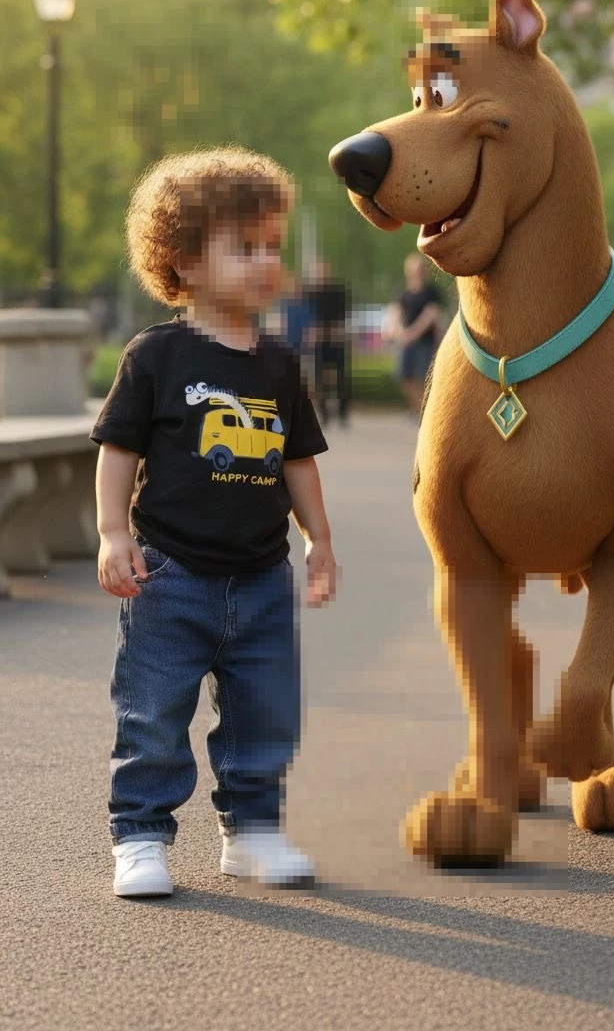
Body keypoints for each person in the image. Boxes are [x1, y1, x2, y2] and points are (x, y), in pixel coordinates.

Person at [91, 147, 337, 898]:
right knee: (154, 711)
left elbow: (297, 459)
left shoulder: (278, 365)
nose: (266, 263)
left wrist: (318, 539)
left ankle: (253, 832)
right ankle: (140, 835)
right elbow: (119, 450)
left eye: (272, 247)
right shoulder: (157, 355)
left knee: (265, 712)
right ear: (184, 262)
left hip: (261, 576)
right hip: (172, 574)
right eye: (244, 248)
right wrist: (112, 533)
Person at [386, 252, 444, 413]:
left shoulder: (431, 293)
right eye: (413, 268)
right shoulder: (402, 293)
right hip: (406, 342)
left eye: (419, 268)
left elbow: (431, 315)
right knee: (404, 378)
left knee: (424, 378)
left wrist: (413, 333)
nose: (416, 272)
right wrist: (399, 332)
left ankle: (426, 412)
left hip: (424, 342)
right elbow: (396, 313)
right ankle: (419, 411)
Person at [303, 258, 351, 425]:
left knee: (341, 378)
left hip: (336, 341)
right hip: (318, 343)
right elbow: (307, 321)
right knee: (318, 378)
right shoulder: (309, 294)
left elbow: (343, 319)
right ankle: (323, 413)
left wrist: (331, 331)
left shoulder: (338, 293)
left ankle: (342, 412)